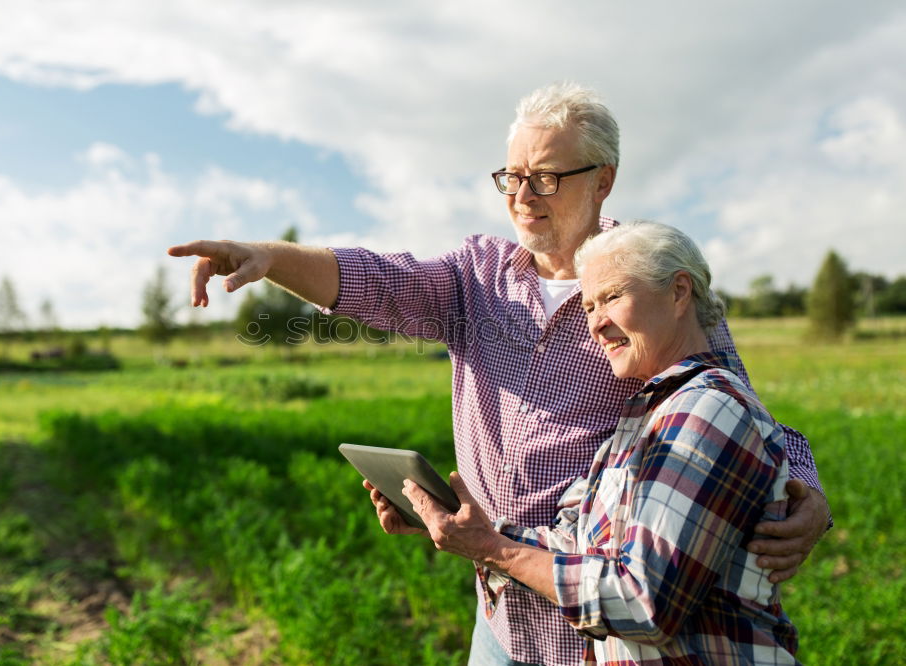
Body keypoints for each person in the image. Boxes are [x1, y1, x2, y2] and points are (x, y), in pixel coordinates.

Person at [168, 82, 828, 666]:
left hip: (598, 634)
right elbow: (378, 282)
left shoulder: (646, 284)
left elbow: (740, 410)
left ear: (603, 179)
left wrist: (806, 491)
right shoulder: (476, 277)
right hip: (498, 619)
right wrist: (265, 255)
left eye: (545, 177)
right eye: (510, 176)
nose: (521, 195)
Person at [396, 220, 801, 664]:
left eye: (612, 297)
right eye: (588, 307)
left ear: (679, 292)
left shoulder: (708, 410)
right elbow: (584, 549)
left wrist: (494, 549)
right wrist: (463, 526)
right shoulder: (649, 413)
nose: (597, 324)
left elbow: (643, 603)